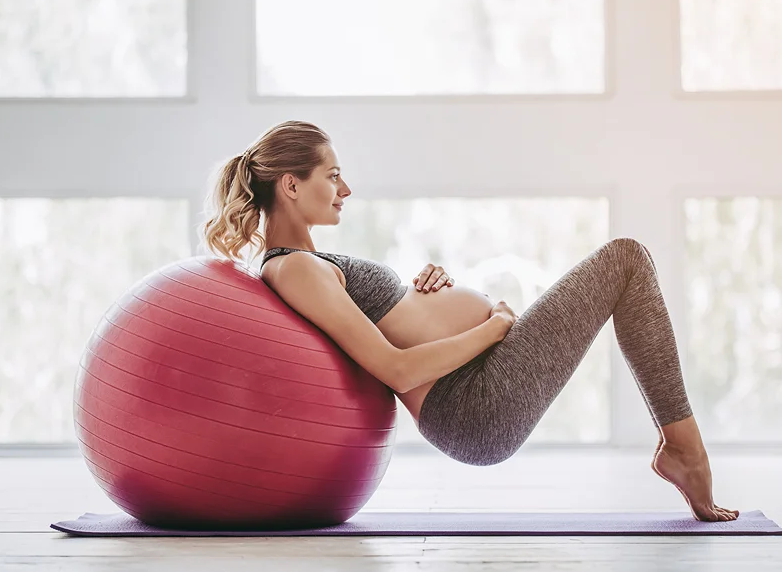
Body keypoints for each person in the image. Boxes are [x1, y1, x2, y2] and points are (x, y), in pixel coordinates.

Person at [200, 120, 738, 522]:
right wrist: (492, 326)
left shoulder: (309, 265)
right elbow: (397, 367)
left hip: (475, 387)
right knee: (626, 260)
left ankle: (681, 449)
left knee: (626, 262)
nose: (345, 189)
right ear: (290, 186)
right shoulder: (293, 269)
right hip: (472, 407)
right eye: (333, 175)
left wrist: (421, 295)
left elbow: (391, 327)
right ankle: (685, 450)